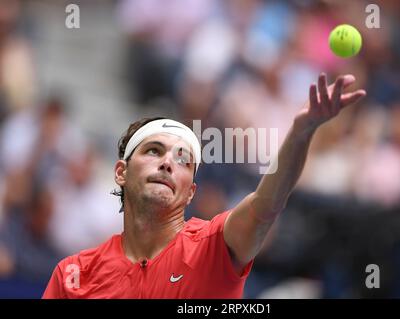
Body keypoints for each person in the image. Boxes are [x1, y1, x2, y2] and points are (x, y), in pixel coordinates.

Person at [42, 73, 366, 298]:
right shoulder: (72, 275)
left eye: (182, 160)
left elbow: (267, 203)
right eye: (153, 151)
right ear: (121, 172)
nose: (167, 162)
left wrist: (302, 132)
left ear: (190, 192)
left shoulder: (213, 247)